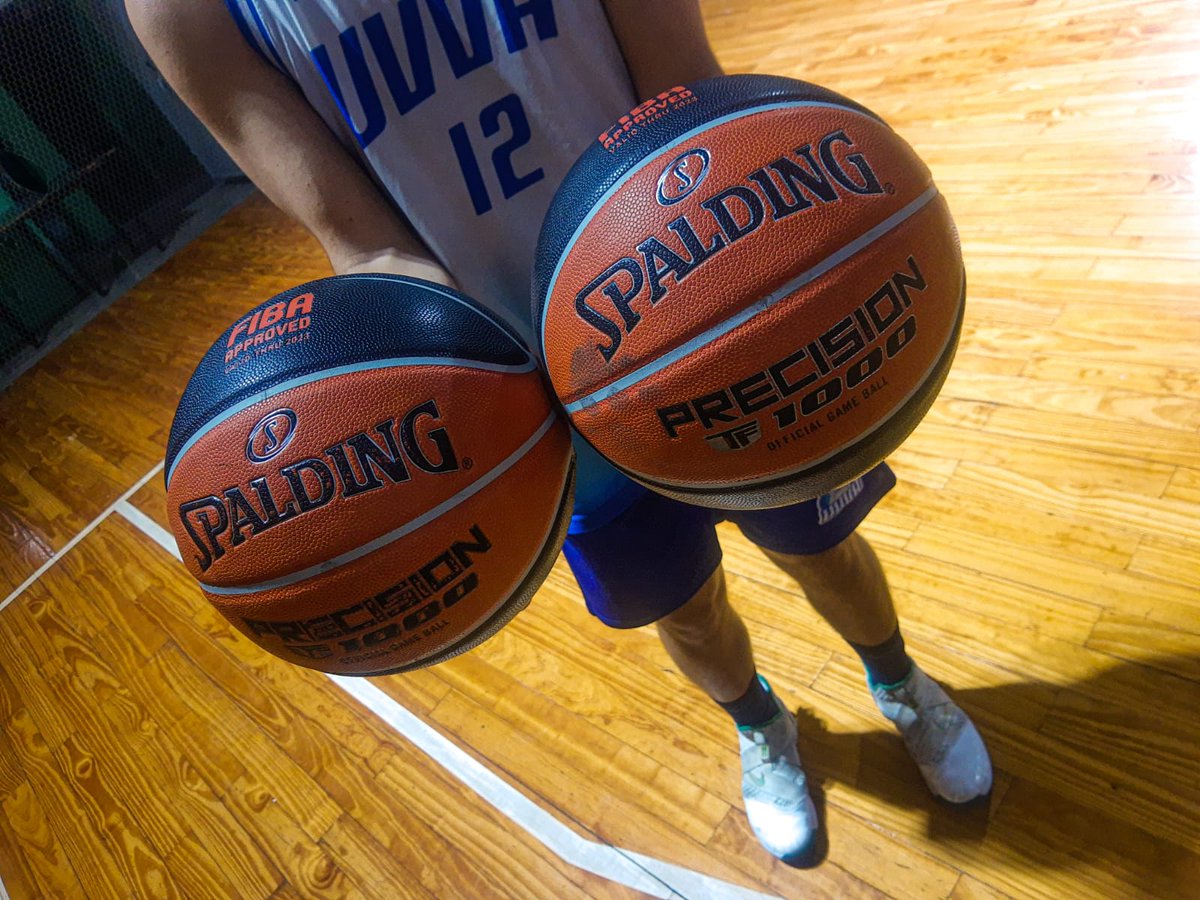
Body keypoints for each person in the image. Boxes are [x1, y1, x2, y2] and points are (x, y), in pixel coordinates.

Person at [127, 0, 992, 866]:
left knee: (824, 548)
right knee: (686, 609)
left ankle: (899, 681)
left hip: (704, 292)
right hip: (517, 400)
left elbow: (685, 87)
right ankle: (760, 723)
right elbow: (364, 246)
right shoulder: (178, 9)